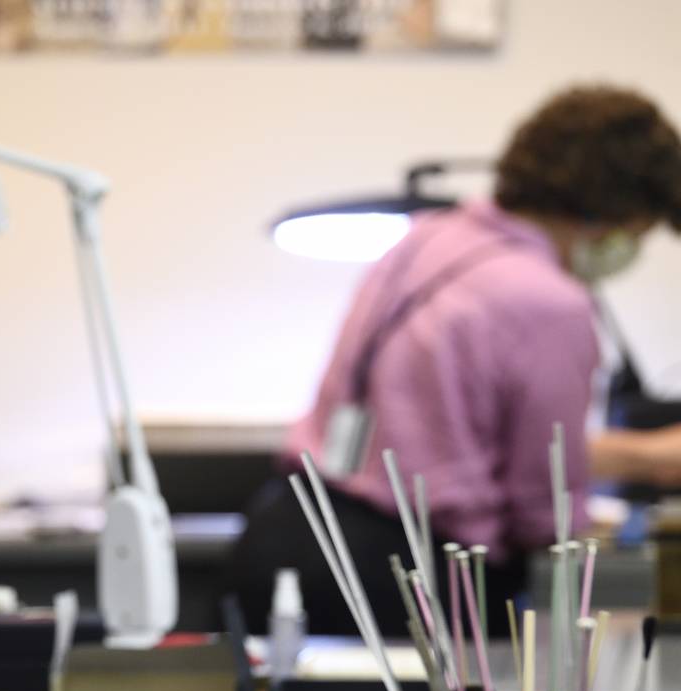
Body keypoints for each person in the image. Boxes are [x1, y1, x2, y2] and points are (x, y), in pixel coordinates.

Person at [227, 85, 681, 638]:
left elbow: (452, 432)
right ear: (611, 213)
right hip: (409, 578)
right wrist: (605, 601)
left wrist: (635, 458)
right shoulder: (549, 303)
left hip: (289, 530)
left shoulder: (427, 239)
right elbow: (544, 498)